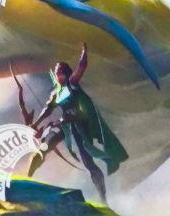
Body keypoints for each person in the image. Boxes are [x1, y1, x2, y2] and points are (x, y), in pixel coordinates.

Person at [28, 42, 127, 202]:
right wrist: (36, 123)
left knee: (89, 163)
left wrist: (84, 52)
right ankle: (27, 178)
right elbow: (48, 109)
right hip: (65, 125)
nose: (57, 74)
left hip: (80, 126)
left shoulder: (71, 84)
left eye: (60, 72)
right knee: (45, 146)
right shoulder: (56, 92)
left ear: (66, 74)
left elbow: (81, 67)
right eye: (56, 72)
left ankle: (103, 199)